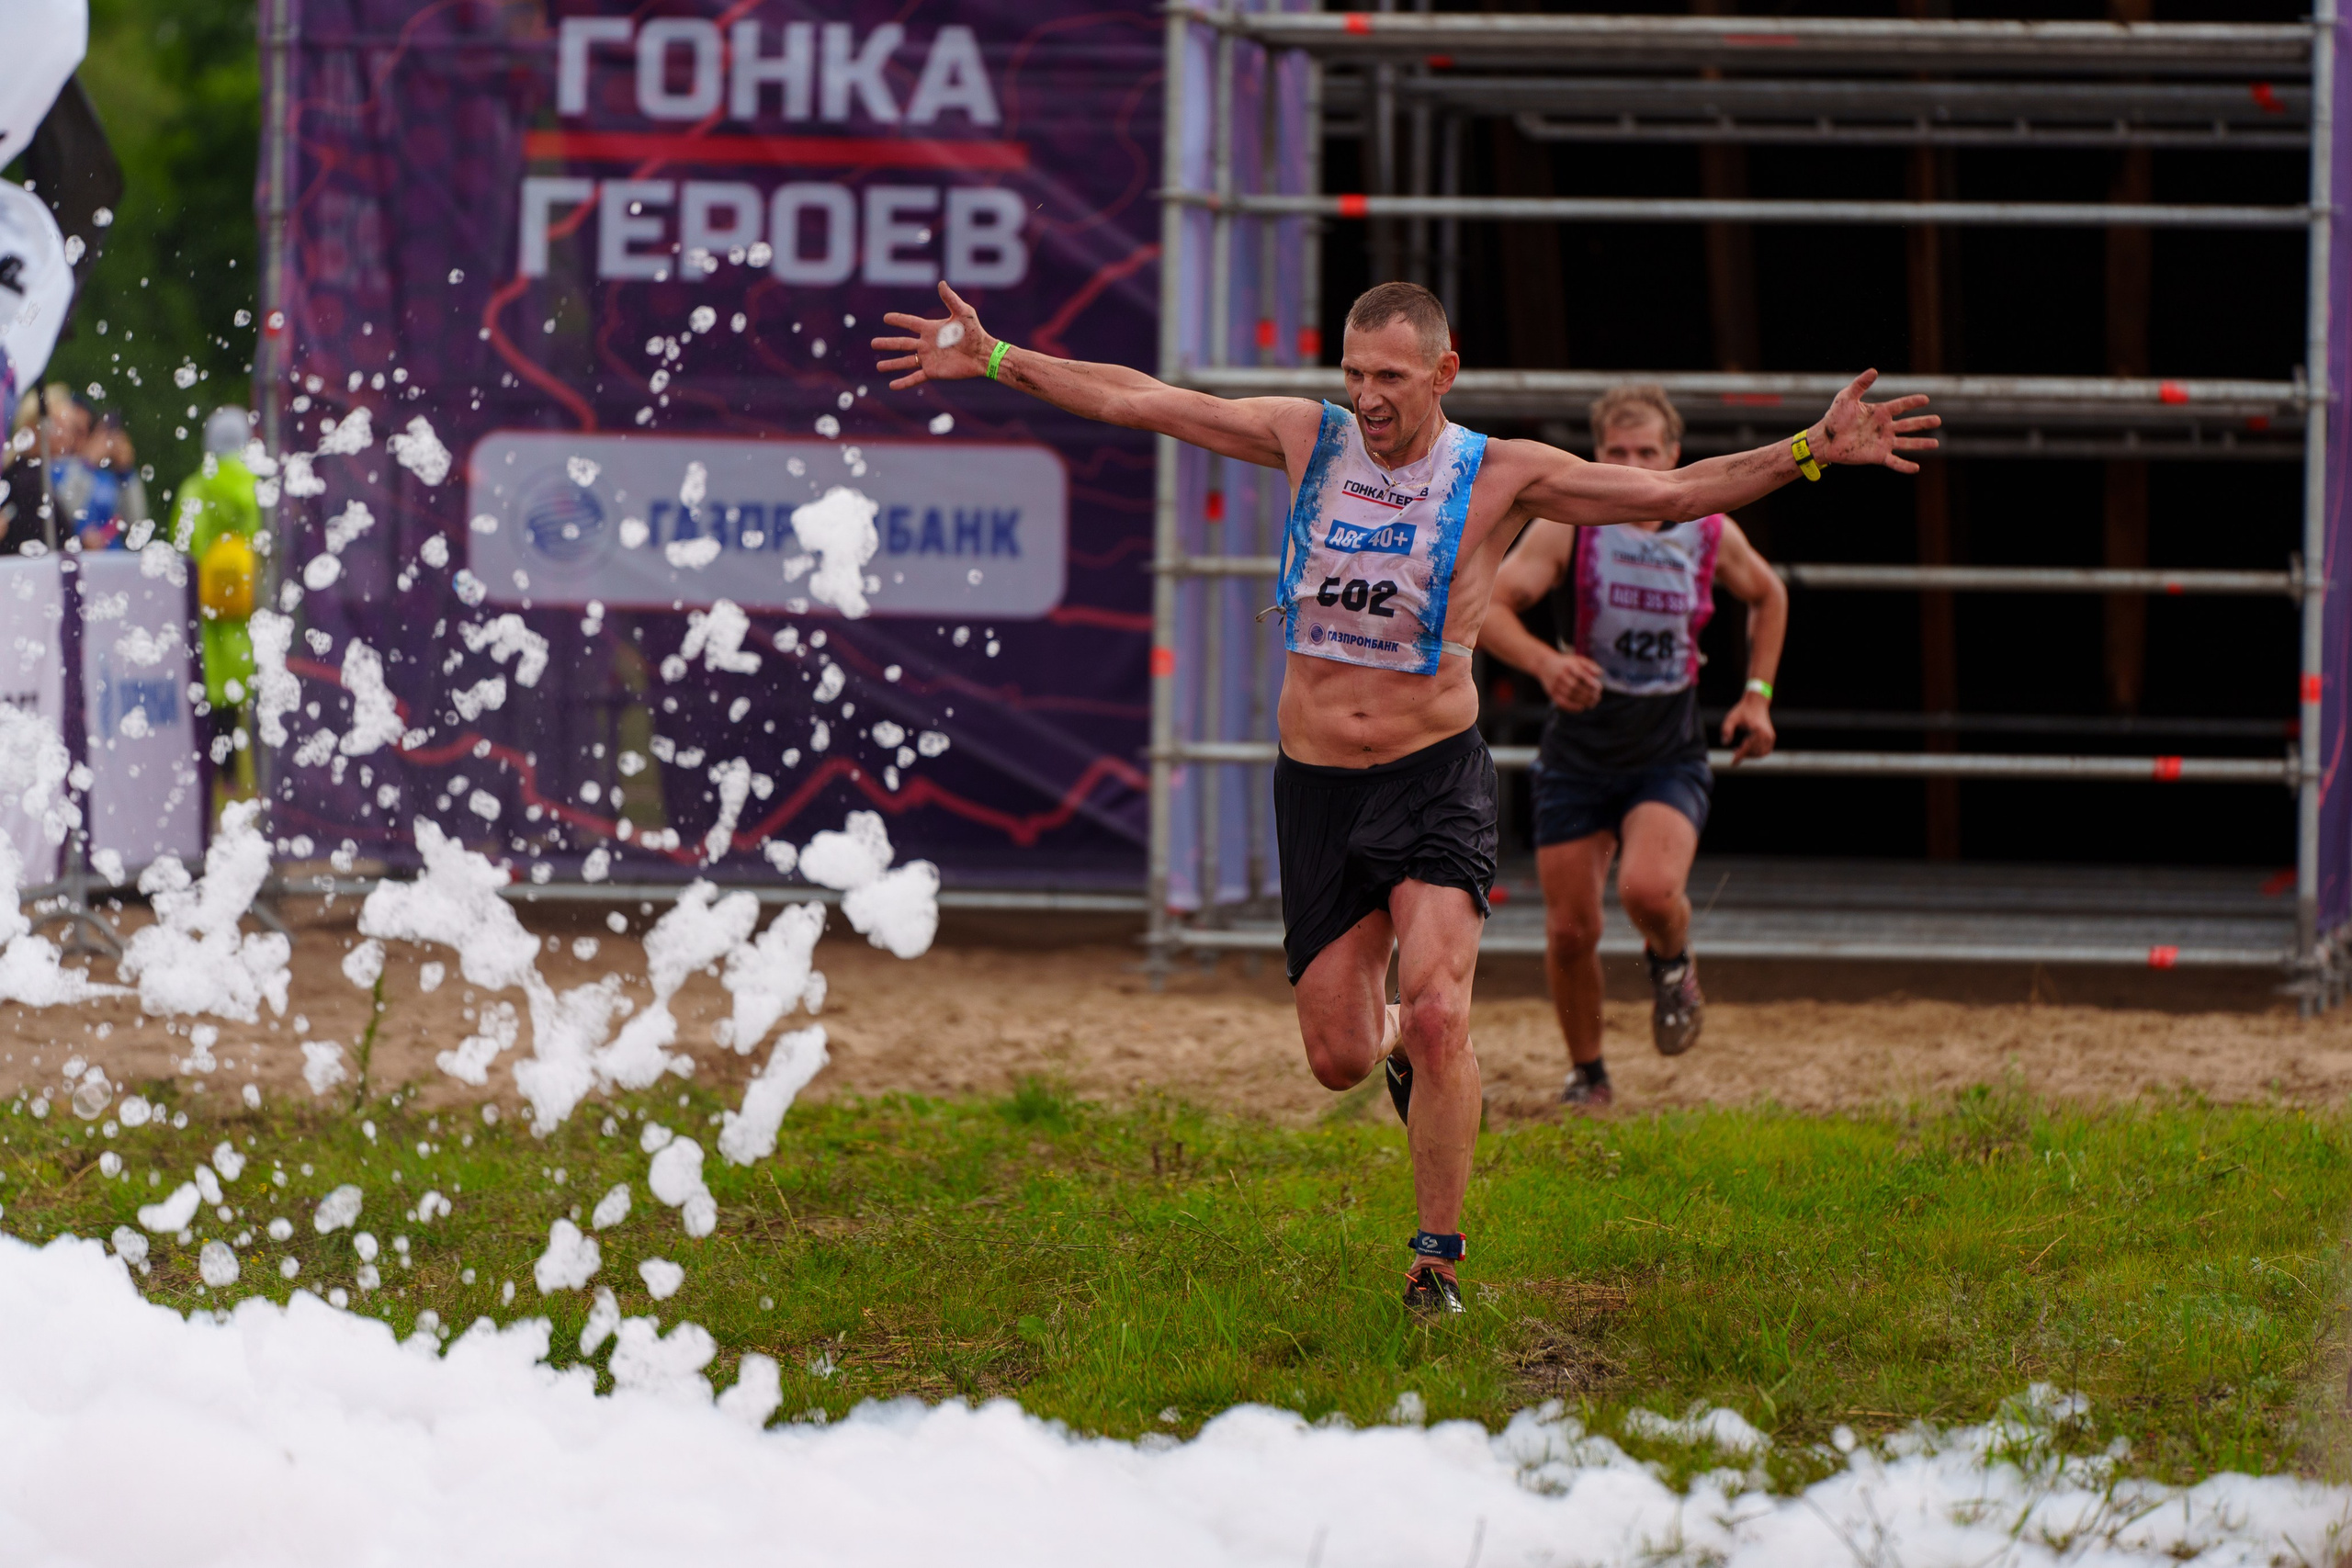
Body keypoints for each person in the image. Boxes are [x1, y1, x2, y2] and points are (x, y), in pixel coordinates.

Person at [873, 280, 1935, 1312]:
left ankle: (1436, 1261)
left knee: (1438, 1015)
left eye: (1389, 376)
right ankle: (1392, 1049)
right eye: (1352, 373)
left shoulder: (1502, 473)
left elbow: (1670, 495)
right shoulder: (1306, 436)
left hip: (1435, 778)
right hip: (1320, 787)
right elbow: (1140, 396)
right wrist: (1000, 358)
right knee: (1341, 1057)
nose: (1367, 396)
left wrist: (1806, 451)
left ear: (1444, 373)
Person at [1480, 385, 1786, 1110]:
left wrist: (1757, 695)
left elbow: (1769, 595)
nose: (1632, 465)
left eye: (1646, 452)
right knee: (1570, 929)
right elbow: (1490, 603)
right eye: (1616, 452)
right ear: (1597, 457)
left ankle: (1672, 956)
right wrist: (1546, 664)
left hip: (1665, 747)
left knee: (1647, 891)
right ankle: (1589, 1074)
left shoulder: (1709, 528)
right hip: (1580, 752)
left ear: (1674, 457)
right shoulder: (1570, 526)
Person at [174, 406, 265, 805]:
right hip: (254, 617)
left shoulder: (195, 488)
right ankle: (261, 787)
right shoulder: (260, 487)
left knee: (216, 707)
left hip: (209, 620)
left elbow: (183, 550)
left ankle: (219, 785)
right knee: (262, 704)